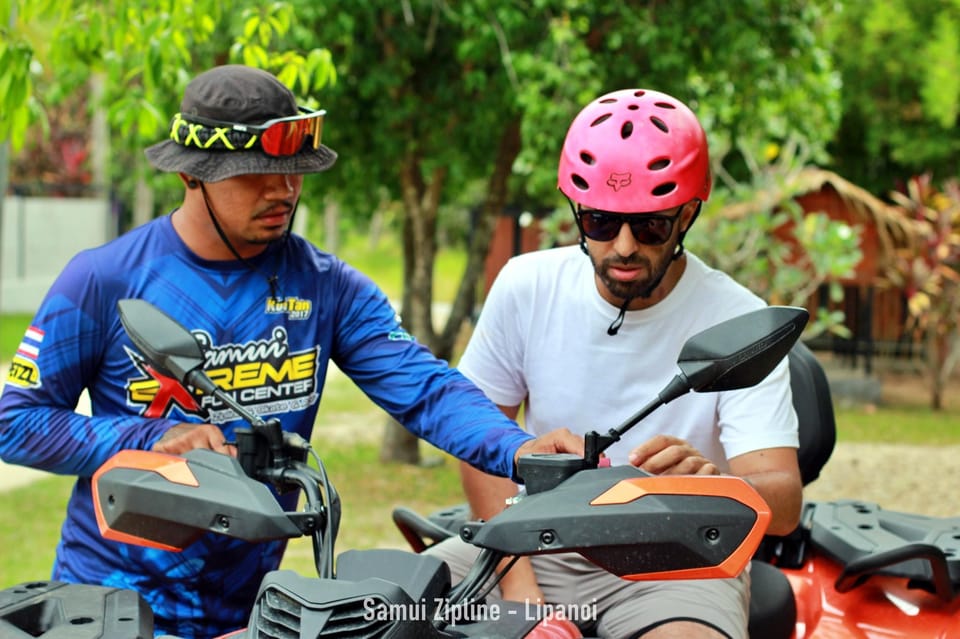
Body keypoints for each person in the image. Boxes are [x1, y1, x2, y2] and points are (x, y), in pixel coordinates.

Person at [0, 64, 582, 639]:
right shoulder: (104, 279)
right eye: (256, 173)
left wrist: (520, 448)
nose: (284, 189)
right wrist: (148, 439)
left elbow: (425, 388)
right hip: (112, 606)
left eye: (294, 172)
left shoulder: (325, 285)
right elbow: (15, 423)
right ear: (192, 176)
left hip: (253, 614)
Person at [425, 88, 803, 639]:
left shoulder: (736, 317)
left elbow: (785, 502)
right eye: (602, 222)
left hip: (678, 560)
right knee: (381, 611)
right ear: (578, 211)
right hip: (532, 541)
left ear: (688, 214)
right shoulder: (526, 286)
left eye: (650, 227)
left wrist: (714, 484)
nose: (623, 247)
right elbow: (480, 441)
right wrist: (521, 597)